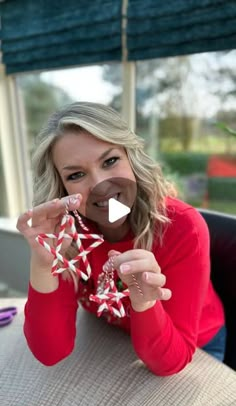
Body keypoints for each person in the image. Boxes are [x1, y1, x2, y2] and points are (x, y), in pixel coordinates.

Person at [16, 102, 226, 376]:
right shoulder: (66, 232)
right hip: (113, 336)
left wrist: (144, 302)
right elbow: (50, 352)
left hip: (196, 349)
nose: (100, 185)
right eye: (76, 175)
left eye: (110, 161)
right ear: (61, 185)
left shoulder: (182, 227)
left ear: (132, 158)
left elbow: (169, 363)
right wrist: (43, 266)